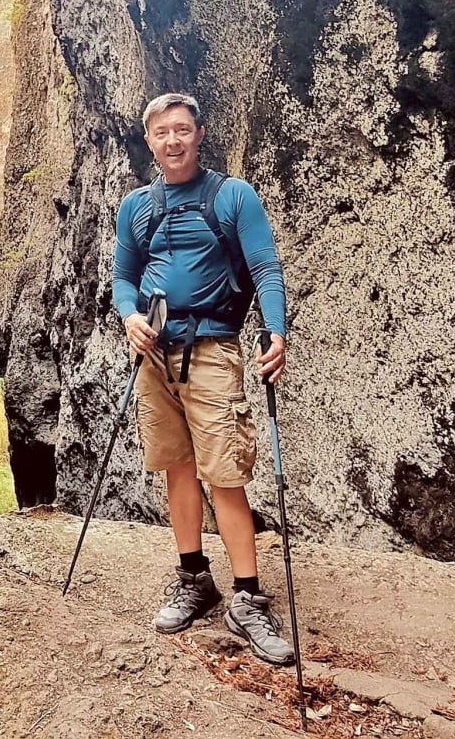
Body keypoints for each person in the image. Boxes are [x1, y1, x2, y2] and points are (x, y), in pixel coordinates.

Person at [111, 92, 293, 664]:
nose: (173, 141)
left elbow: (265, 266)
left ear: (198, 133)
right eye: (162, 132)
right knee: (178, 467)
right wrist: (131, 317)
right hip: (154, 353)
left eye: (182, 130)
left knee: (225, 473)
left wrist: (277, 330)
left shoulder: (233, 196)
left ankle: (246, 597)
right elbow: (123, 278)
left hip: (213, 349)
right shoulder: (136, 207)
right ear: (150, 140)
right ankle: (194, 576)